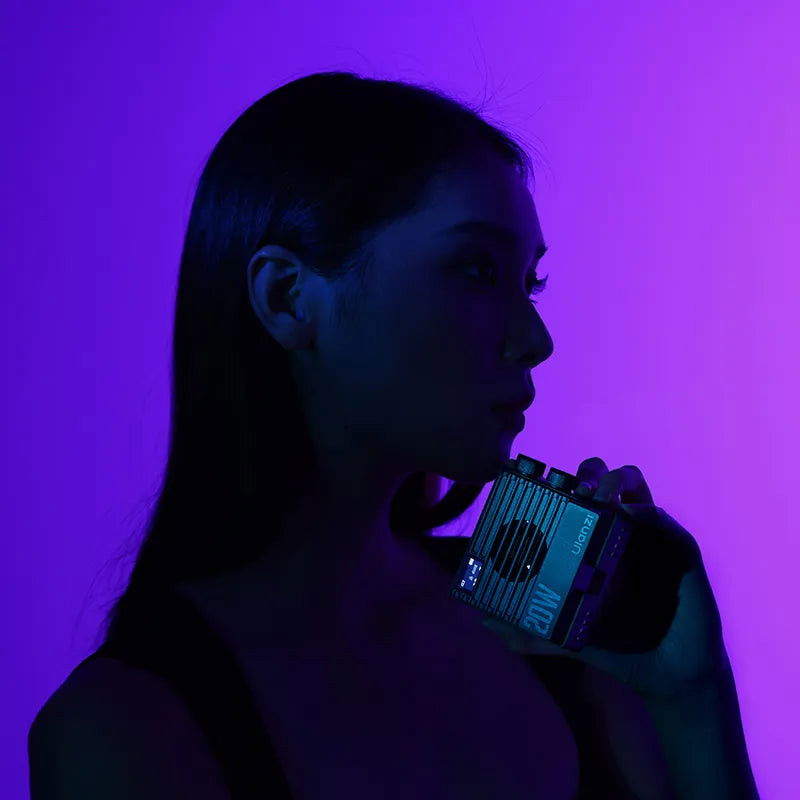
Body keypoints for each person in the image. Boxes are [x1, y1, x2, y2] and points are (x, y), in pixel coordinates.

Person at [27, 71, 757, 799]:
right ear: (288, 298)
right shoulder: (124, 731)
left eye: (529, 283)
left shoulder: (543, 618)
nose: (536, 340)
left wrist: (691, 698)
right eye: (477, 270)